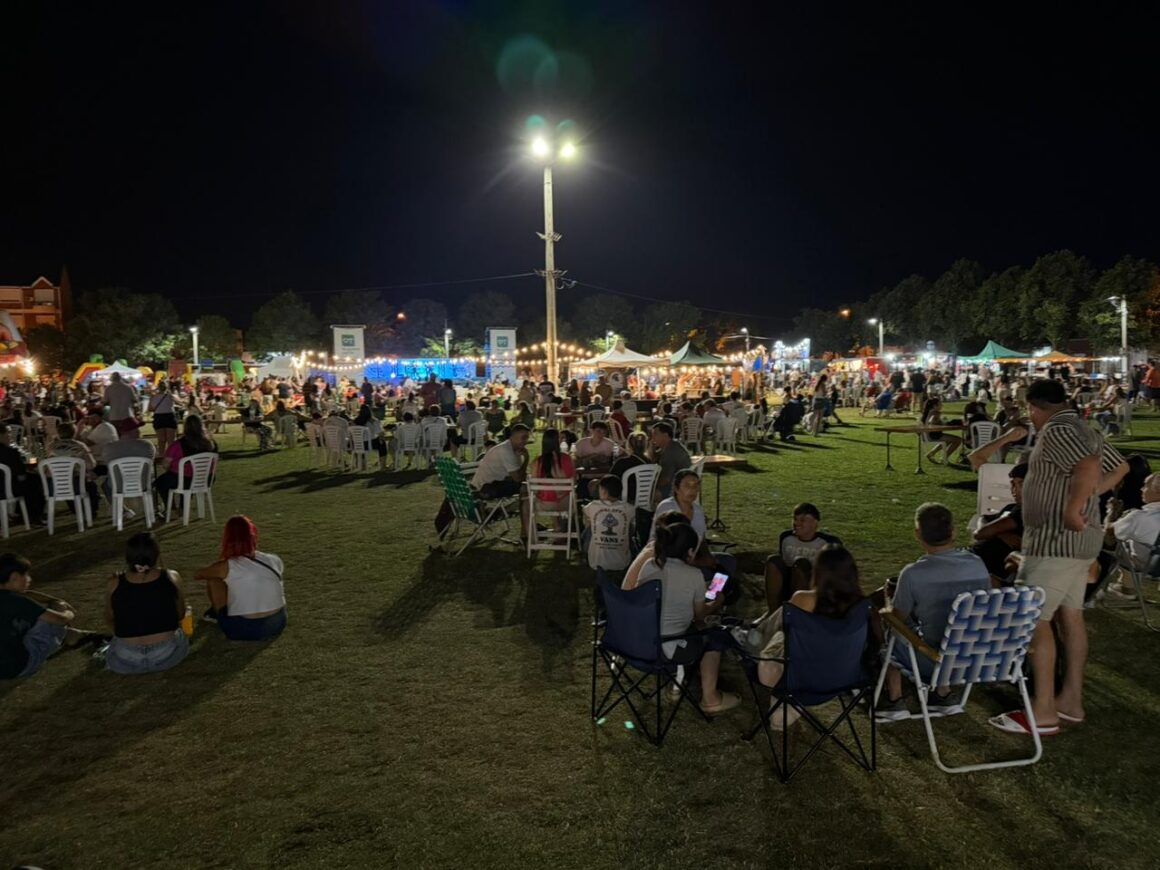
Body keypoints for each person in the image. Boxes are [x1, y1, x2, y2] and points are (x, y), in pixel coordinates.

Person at [989, 379, 1127, 737]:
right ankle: (1070, 701)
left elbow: (1087, 464)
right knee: (1071, 617)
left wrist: (1073, 506)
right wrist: (1086, 496)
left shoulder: (1057, 429)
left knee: (1031, 620)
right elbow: (1119, 468)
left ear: (1035, 407)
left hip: (1055, 543)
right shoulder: (1084, 427)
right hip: (1079, 545)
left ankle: (1044, 711)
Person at [877, 503, 992, 721]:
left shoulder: (913, 574)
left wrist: (888, 605)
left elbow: (898, 618)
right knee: (951, 627)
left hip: (936, 662)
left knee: (893, 626)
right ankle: (942, 694)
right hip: (976, 659)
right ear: (953, 531)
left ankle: (894, 701)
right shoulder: (977, 564)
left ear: (918, 534)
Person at [750, 546, 868, 729]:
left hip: (799, 681)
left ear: (819, 572)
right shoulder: (860, 605)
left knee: (780, 627)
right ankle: (755, 635)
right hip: (842, 679)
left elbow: (780, 629)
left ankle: (751, 636)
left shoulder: (803, 599)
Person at [636, 521, 740, 714]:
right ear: (690, 551)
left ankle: (678, 682)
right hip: (665, 649)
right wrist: (719, 600)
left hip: (636, 644)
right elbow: (700, 614)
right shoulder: (693, 575)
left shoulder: (649, 565)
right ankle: (711, 699)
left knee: (687, 626)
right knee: (714, 635)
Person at [103, 533, 189, 675]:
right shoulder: (171, 577)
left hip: (126, 657)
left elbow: (110, 618)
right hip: (166, 654)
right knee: (182, 631)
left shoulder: (114, 583)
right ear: (156, 554)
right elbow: (180, 614)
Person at [196, 515, 287, 640]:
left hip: (244, 628)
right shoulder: (273, 559)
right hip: (278, 622)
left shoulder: (228, 565)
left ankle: (216, 613)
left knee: (214, 579)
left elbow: (200, 574)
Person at [0, 553, 89, 679]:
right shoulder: (15, 601)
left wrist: (52, 598)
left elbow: (27, 594)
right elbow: (60, 619)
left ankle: (71, 634)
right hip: (20, 666)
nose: (29, 579)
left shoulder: (11, 598)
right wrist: (67, 611)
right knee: (51, 615)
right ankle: (71, 636)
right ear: (14, 577)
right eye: (26, 575)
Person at [763, 502, 842, 613]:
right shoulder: (786, 538)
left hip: (812, 587)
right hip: (788, 582)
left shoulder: (827, 543)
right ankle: (773, 612)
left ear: (815, 523)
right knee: (773, 560)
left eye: (802, 520)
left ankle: (797, 613)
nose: (796, 523)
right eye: (795, 519)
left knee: (801, 563)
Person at [971, 462, 1028, 584]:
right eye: (1012, 484)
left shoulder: (1026, 512)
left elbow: (979, 533)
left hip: (986, 569)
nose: (1014, 490)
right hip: (975, 558)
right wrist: (1001, 534)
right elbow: (982, 518)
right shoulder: (1011, 507)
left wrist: (993, 531)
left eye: (1021, 484)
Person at [155, 415, 218, 517]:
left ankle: (172, 508)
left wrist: (170, 468)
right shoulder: (211, 443)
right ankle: (182, 508)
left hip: (185, 480)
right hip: (206, 479)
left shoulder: (178, 444)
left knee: (160, 483)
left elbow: (165, 464)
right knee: (185, 476)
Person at [583, 475, 634, 572]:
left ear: (604, 492)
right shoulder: (629, 508)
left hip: (596, 562)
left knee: (590, 525)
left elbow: (585, 518)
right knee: (628, 526)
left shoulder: (593, 506)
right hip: (622, 563)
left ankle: (589, 550)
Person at [0, 427, 46, 521]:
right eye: (8, 433)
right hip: (8, 489)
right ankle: (34, 515)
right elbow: (21, 473)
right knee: (34, 481)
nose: (10, 436)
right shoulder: (10, 452)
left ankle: (19, 512)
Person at [649, 421, 691, 504]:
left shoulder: (670, 452)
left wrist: (650, 485)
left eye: (655, 434)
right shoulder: (673, 445)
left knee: (644, 494)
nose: (652, 438)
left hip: (675, 489)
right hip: (682, 484)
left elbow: (665, 480)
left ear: (665, 435)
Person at [920, 396, 962, 463]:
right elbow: (931, 421)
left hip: (927, 435)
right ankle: (944, 458)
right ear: (935, 405)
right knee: (958, 440)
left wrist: (941, 422)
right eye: (940, 404)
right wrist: (942, 422)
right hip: (933, 434)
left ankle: (931, 454)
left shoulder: (928, 412)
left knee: (948, 440)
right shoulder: (935, 412)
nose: (942, 405)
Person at [149, 381, 179, 456]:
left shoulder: (153, 397)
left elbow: (150, 409)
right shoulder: (171, 396)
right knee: (171, 440)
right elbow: (180, 402)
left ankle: (161, 456)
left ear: (158, 387)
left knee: (161, 440)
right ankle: (171, 457)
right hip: (169, 416)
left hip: (159, 417)